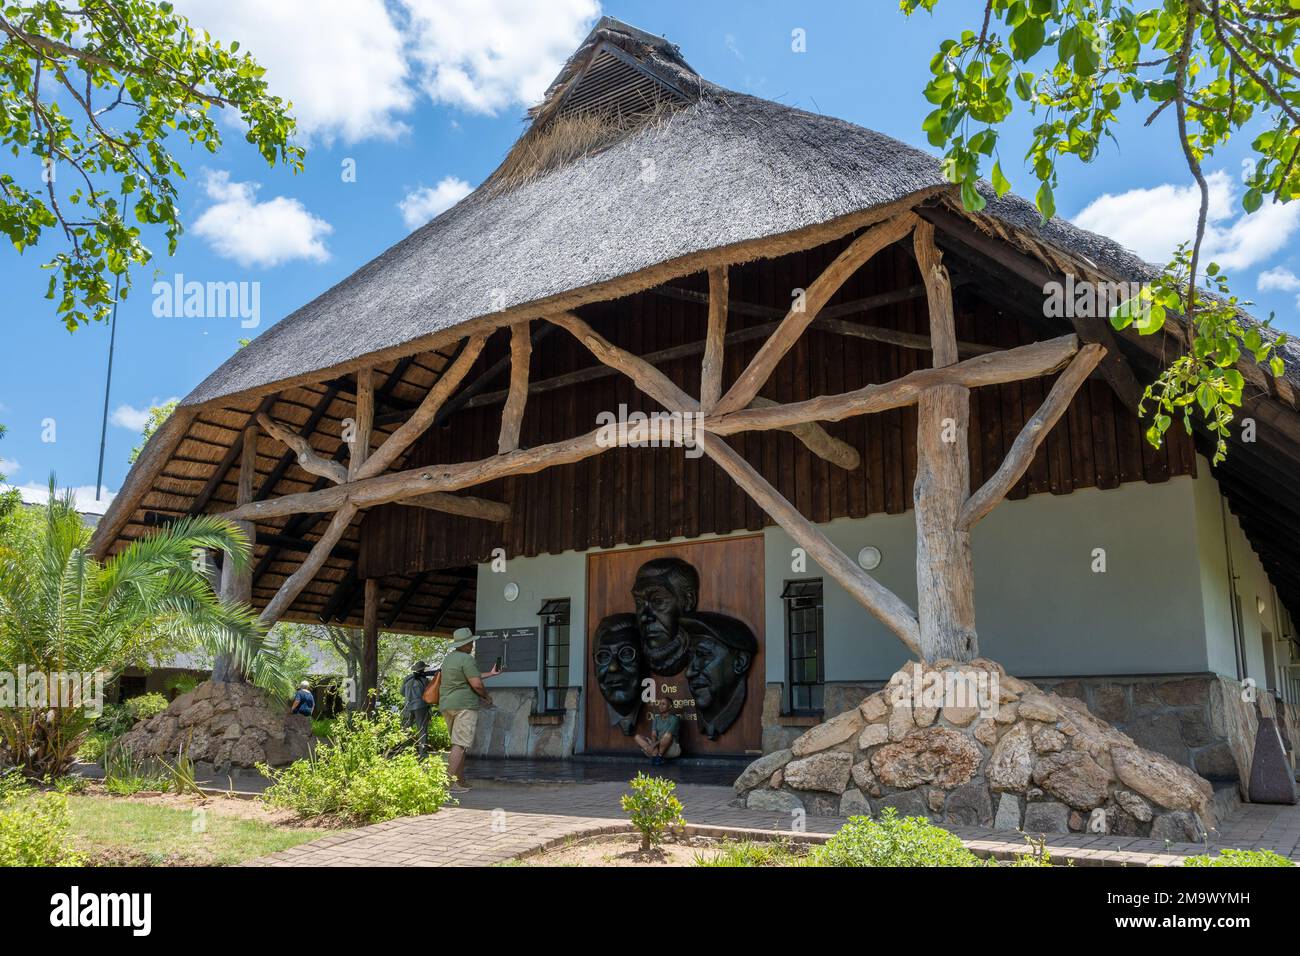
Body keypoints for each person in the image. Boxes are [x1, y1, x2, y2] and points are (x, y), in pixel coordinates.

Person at [438, 628, 501, 792]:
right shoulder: (467, 659)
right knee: (460, 744)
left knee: (459, 743)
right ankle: (448, 784)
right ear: (465, 644)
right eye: (471, 642)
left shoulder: (448, 659)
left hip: (447, 704)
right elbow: (476, 684)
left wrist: (491, 673)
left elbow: (469, 676)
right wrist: (486, 697)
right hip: (464, 706)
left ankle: (459, 781)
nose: (472, 644)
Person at [400, 660, 437, 758]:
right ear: (423, 669)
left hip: (407, 706)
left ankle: (404, 750)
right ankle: (422, 752)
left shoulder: (407, 679)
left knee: (406, 728)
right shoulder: (425, 680)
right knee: (422, 729)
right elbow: (430, 694)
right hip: (421, 707)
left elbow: (402, 692)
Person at [634, 696, 681, 765]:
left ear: (670, 707)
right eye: (660, 704)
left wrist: (652, 746)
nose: (660, 706)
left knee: (668, 735)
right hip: (656, 748)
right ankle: (656, 756)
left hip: (670, 748)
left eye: (663, 704)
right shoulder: (656, 719)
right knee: (637, 737)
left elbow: (668, 736)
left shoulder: (674, 719)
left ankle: (658, 756)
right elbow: (654, 735)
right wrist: (654, 747)